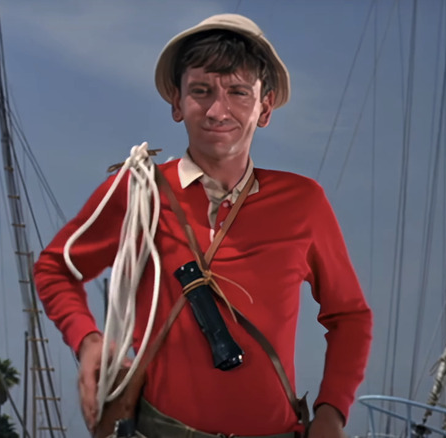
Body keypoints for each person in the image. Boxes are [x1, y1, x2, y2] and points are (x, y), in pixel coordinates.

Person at [34, 13, 372, 438]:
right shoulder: (139, 191)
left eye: (238, 92)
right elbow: (55, 267)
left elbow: (350, 316)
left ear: (264, 107)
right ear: (177, 103)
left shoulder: (304, 202)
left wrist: (332, 412)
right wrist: (88, 341)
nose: (218, 110)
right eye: (201, 91)